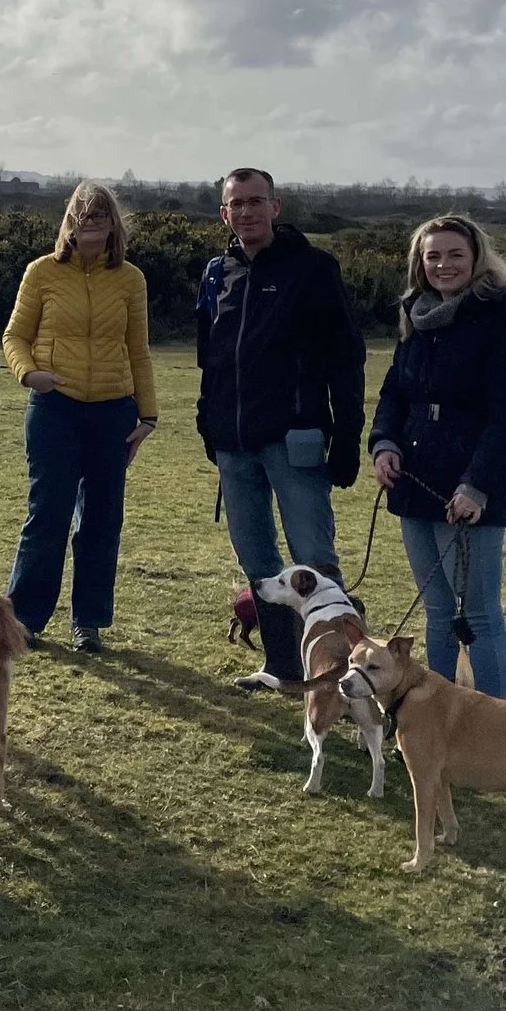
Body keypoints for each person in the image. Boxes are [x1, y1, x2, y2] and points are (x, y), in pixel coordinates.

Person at [196, 167, 367, 692]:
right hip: (234, 443)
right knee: (259, 562)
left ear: (276, 206)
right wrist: (209, 420)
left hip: (296, 439)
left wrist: (347, 435)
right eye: (235, 205)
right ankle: (283, 668)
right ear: (224, 213)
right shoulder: (215, 273)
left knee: (315, 558)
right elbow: (211, 356)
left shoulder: (314, 268)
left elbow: (347, 356)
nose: (246, 212)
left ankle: (343, 676)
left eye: (256, 202)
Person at [370, 213, 506, 700]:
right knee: (436, 610)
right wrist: (383, 443)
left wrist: (477, 484)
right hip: (415, 480)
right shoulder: (417, 313)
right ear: (419, 262)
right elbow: (395, 392)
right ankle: (441, 717)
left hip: (469, 487)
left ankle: (494, 723)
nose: (443, 265)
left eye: (455, 255)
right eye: (433, 256)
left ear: (477, 258)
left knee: (479, 614)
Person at [1, 182, 159, 652]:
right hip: (54, 409)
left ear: (113, 223)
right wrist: (30, 375)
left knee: (101, 518)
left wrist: (147, 416)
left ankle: (87, 622)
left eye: (99, 215)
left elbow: (139, 350)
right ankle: (25, 619)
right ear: (68, 221)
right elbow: (14, 337)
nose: (89, 222)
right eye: (81, 214)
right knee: (46, 514)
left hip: (114, 411)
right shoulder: (41, 272)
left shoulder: (131, 279)